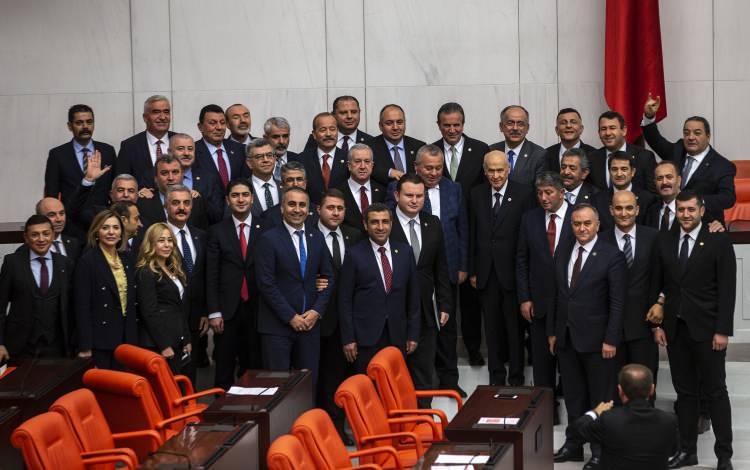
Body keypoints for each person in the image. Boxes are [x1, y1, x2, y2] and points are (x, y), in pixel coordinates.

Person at [648, 191, 735, 470]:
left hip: (709, 331)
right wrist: (657, 325)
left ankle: (724, 455)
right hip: (676, 330)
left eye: (690, 210)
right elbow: (660, 284)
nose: (685, 215)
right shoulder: (665, 240)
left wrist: (722, 330)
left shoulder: (718, 240)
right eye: (681, 210)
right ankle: (687, 451)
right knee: (685, 394)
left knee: (716, 392)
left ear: (701, 211)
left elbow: (727, 289)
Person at [385, 144, 469, 394]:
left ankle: (448, 381)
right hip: (399, 286)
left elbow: (462, 228)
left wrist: (463, 264)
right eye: (428, 168)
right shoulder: (392, 210)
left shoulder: (452, 191)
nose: (433, 173)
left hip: (441, 269)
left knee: (444, 329)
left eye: (438, 168)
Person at [551, 204, 627, 470]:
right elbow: (558, 295)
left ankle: (599, 451)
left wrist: (611, 339)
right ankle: (573, 445)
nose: (581, 228)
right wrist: (554, 331)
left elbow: (617, 302)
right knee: (573, 397)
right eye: (576, 224)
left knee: (600, 400)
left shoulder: (611, 255)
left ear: (597, 225)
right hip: (567, 338)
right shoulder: (563, 250)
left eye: (587, 223)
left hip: (598, 342)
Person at [255, 188, 334, 388]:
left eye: (302, 205)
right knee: (277, 387)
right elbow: (266, 284)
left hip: (309, 326)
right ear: (282, 208)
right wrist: (291, 317)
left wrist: (316, 311)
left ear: (308, 210)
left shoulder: (316, 237)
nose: (297, 210)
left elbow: (328, 277)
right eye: (291, 204)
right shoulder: (268, 239)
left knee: (307, 387)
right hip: (277, 327)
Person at [469, 150, 532, 386]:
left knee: (515, 331)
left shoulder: (524, 194)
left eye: (500, 170)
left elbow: (527, 237)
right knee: (492, 329)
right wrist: (473, 270)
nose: (496, 176)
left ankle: (516, 378)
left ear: (508, 170)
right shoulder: (476, 194)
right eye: (491, 171)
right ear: (485, 172)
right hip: (486, 274)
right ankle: (495, 378)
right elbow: (472, 233)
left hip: (513, 275)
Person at [389, 174, 452, 407]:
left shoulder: (432, 223)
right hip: (393, 309)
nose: (415, 201)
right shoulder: (385, 223)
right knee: (396, 370)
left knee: (424, 368)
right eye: (409, 195)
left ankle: (424, 416)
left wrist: (445, 303)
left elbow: (441, 267)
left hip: (426, 308)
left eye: (419, 196)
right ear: (397, 195)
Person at [338, 203, 420, 374]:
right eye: (375, 222)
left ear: (391, 224)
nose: (381, 227)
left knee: (394, 384)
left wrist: (413, 334)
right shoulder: (354, 255)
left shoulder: (405, 252)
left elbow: (413, 297)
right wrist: (348, 338)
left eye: (385, 222)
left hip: (397, 335)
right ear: (365, 225)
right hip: (365, 337)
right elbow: (344, 300)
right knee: (368, 384)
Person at [516, 172, 572, 412]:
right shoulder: (530, 219)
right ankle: (547, 413)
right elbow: (521, 260)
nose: (543, 198)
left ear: (562, 193)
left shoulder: (578, 217)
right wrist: (524, 297)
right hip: (539, 302)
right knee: (541, 362)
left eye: (549, 192)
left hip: (570, 303)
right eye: (539, 193)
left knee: (569, 360)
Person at [642, 94, 736, 226]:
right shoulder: (678, 149)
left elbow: (728, 198)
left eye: (697, 133)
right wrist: (649, 116)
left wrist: (696, 201)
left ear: (708, 136)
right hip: (671, 224)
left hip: (706, 224)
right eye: (686, 133)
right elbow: (655, 140)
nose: (691, 137)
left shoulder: (722, 165)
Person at [315, 189, 362, 445]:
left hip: (353, 318)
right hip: (322, 319)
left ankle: (347, 426)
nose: (335, 213)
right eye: (330, 208)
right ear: (319, 210)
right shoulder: (309, 235)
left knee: (349, 376)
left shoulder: (355, 235)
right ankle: (328, 431)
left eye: (340, 209)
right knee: (327, 376)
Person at [206, 179, 262, 389]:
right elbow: (211, 274)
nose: (241, 199)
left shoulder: (266, 227)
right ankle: (222, 406)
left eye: (245, 195)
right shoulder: (217, 231)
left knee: (254, 365)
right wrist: (214, 312)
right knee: (224, 366)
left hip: (257, 308)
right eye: (235, 195)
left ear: (252, 198)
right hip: (227, 311)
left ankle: (252, 406)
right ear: (227, 200)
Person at [569, 364, 678, 470]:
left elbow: (575, 431)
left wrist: (595, 413)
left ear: (620, 390)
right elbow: (673, 450)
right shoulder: (669, 420)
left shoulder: (609, 420)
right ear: (652, 389)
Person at [600, 191, 659, 379]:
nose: (624, 213)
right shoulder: (599, 240)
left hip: (643, 327)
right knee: (613, 388)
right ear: (611, 210)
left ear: (637, 210)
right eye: (618, 208)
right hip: (609, 330)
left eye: (629, 208)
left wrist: (660, 305)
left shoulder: (654, 237)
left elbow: (664, 276)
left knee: (644, 386)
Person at [0, 215, 75, 361]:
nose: (41, 239)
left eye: (46, 234)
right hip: (19, 346)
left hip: (55, 347)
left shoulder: (65, 264)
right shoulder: (12, 262)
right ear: (26, 237)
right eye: (35, 234)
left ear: (53, 235)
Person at [74, 210, 137, 369]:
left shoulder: (128, 258)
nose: (111, 232)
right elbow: (82, 307)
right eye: (105, 228)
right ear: (96, 232)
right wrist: (85, 346)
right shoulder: (87, 261)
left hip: (127, 336)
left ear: (121, 232)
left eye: (116, 228)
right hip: (101, 340)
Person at [165, 185, 210, 375]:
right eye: (176, 203)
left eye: (186, 203)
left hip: (195, 320)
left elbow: (205, 276)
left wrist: (205, 312)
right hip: (168, 321)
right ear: (166, 205)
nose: (182, 208)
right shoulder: (157, 236)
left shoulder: (201, 235)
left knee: (190, 376)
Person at [135, 223, 191, 374]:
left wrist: (186, 338)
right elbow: (149, 312)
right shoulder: (145, 272)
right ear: (151, 244)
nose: (167, 245)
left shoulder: (173, 269)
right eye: (161, 240)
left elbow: (179, 307)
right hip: (159, 344)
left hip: (177, 339)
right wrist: (164, 345)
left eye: (170, 240)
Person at [44, 104, 116, 211]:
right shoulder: (57, 155)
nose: (85, 126)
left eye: (89, 122)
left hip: (102, 217)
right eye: (79, 123)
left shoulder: (107, 151)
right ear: (69, 126)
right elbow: (51, 194)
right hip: (72, 217)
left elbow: (115, 187)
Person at [115, 95, 175, 189]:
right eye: (156, 112)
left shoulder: (180, 141)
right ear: (145, 117)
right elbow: (121, 183)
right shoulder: (129, 146)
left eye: (166, 112)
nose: (163, 117)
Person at [589, 111, 657, 193]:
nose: (607, 133)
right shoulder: (592, 159)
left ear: (624, 130)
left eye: (612, 128)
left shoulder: (644, 157)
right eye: (603, 129)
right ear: (599, 133)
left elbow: (653, 194)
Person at [137, 155, 209, 230]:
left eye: (175, 172)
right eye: (164, 173)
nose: (170, 178)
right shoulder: (143, 204)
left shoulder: (196, 201)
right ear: (156, 178)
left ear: (182, 176)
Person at [433, 102, 489, 197]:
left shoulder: (480, 150)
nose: (452, 130)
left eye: (456, 125)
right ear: (439, 125)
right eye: (447, 125)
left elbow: (486, 185)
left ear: (463, 124)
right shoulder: (432, 151)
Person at [591, 151, 656, 232]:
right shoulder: (597, 200)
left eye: (624, 169)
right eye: (614, 169)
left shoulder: (647, 199)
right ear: (609, 172)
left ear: (632, 172)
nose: (619, 174)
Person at [169, 133, 225, 225]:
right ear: (170, 152)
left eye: (190, 149)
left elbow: (218, 216)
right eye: (181, 149)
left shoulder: (209, 179)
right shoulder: (159, 177)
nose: (186, 153)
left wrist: (200, 200)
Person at [296, 112, 350, 205]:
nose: (328, 134)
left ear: (337, 131)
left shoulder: (348, 158)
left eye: (332, 129)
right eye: (323, 130)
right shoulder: (302, 159)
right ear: (314, 134)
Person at [368, 104, 426, 186]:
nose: (395, 127)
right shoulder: (369, 148)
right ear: (380, 126)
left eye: (399, 122)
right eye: (389, 123)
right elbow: (364, 169)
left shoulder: (419, 147)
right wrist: (389, 172)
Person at [194, 104, 246, 194]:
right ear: (200, 127)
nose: (219, 127)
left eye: (222, 123)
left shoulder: (240, 150)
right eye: (212, 123)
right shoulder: (193, 152)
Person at [488, 105, 545, 186]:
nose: (515, 128)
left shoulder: (538, 154)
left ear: (527, 128)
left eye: (520, 124)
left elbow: (540, 188)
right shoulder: (490, 151)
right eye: (510, 123)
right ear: (501, 127)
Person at [336, 143, 385, 236]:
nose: (362, 166)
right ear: (349, 165)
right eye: (357, 161)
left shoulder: (382, 191)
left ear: (372, 165)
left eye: (367, 161)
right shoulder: (338, 192)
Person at [69, 173, 139, 231]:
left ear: (137, 196)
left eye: (131, 191)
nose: (126, 195)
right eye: (120, 190)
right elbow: (73, 213)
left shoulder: (143, 221)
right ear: (111, 195)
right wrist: (88, 181)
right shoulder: (97, 215)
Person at [304, 95, 373, 153]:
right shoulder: (317, 139)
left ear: (359, 113)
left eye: (354, 112)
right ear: (333, 115)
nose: (349, 116)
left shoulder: (370, 141)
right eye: (343, 113)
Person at [545, 108, 597, 173]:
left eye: (573, 122)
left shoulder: (594, 155)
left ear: (581, 129)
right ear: (557, 130)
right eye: (563, 123)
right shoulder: (546, 155)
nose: (568, 126)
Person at [35, 197, 82, 263]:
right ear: (39, 218)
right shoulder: (32, 248)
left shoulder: (74, 244)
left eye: (61, 213)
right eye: (52, 215)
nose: (59, 219)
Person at [245, 138, 282, 216]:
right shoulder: (241, 189)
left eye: (269, 155)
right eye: (259, 157)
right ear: (249, 163)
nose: (265, 160)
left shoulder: (285, 187)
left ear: (275, 159)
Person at [645, 161, 681, 232]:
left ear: (679, 180)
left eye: (669, 177)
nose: (664, 182)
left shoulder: (691, 209)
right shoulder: (651, 211)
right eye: (659, 178)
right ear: (655, 183)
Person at [263, 117, 299, 182]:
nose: (281, 141)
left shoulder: (300, 160)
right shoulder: (258, 162)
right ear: (265, 138)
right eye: (276, 137)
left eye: (285, 136)